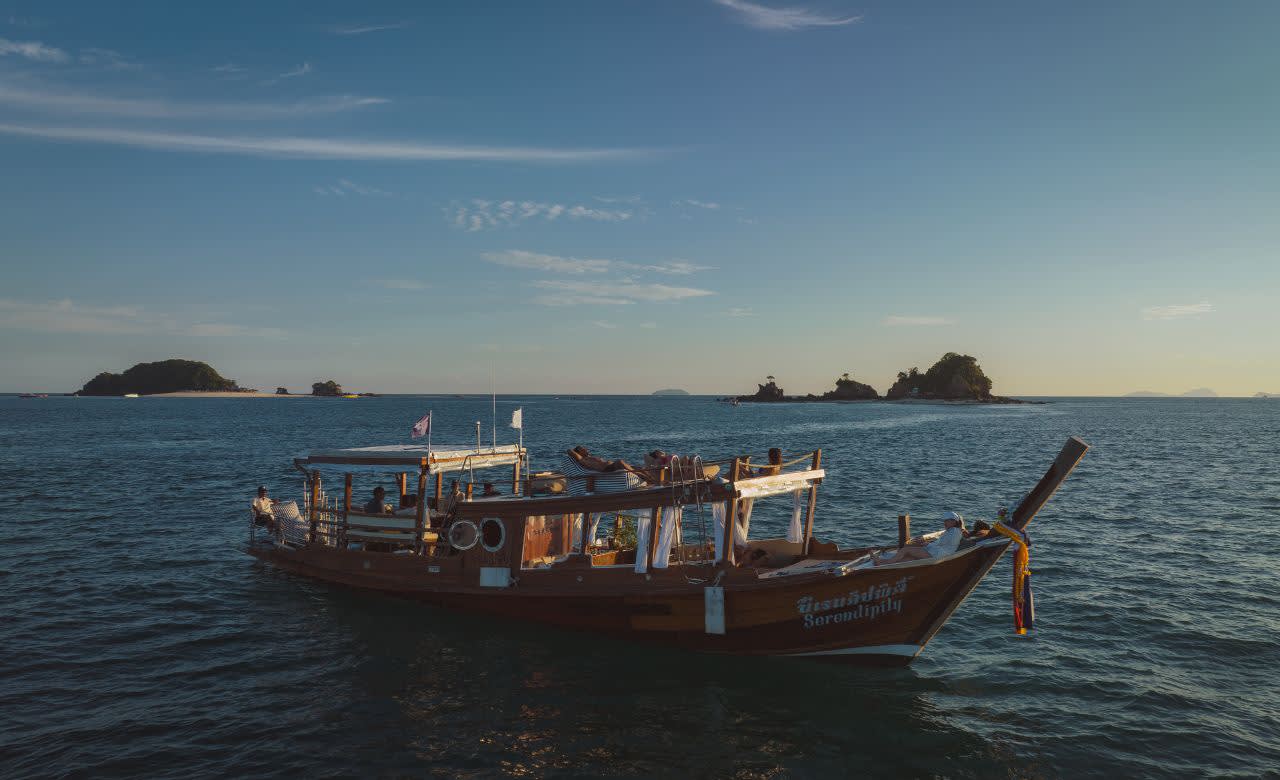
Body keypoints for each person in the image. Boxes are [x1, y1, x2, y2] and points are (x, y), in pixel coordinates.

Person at [875, 511, 965, 565]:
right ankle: (885, 562)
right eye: (945, 521)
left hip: (938, 554)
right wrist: (927, 544)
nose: (945, 523)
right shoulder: (953, 531)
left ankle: (887, 562)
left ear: (954, 521)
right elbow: (943, 542)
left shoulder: (953, 532)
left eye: (947, 521)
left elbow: (941, 544)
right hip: (939, 552)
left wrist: (927, 544)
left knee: (906, 549)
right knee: (912, 557)